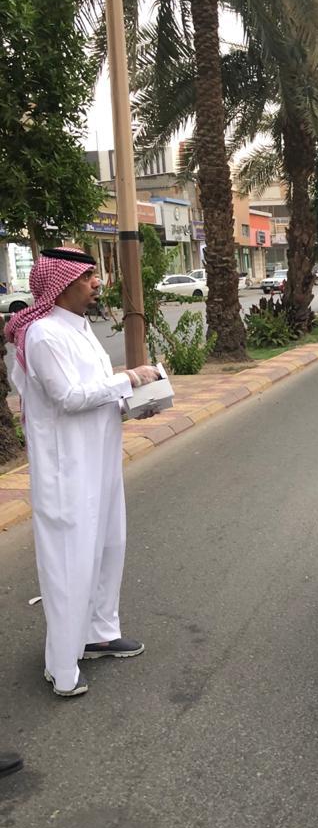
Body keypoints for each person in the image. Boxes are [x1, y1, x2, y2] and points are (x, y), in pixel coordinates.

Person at [5, 248, 161, 697]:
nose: (97, 282)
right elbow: (69, 397)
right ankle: (62, 666)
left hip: (101, 461)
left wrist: (134, 403)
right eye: (87, 276)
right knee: (70, 563)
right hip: (67, 471)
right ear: (61, 284)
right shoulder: (43, 334)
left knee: (109, 547)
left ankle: (99, 634)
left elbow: (94, 393)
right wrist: (129, 379)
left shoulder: (79, 328)